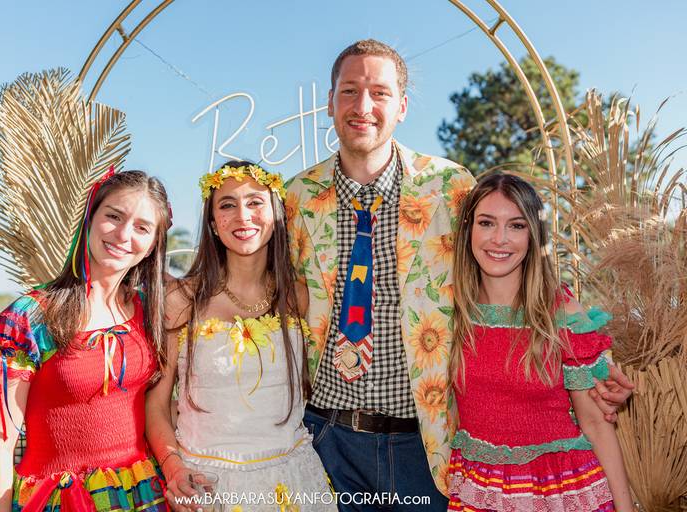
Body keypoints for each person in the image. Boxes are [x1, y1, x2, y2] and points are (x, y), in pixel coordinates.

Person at [285, 39, 635, 510]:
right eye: (349, 91)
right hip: (325, 437)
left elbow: (511, 260)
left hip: (423, 443)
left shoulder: (449, 187)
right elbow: (268, 295)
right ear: (330, 101)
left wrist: (593, 359)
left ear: (402, 106)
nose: (362, 106)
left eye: (379, 93)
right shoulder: (295, 197)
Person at [0, 170, 171, 511]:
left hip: (143, 495)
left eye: (142, 227)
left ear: (153, 243)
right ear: (89, 219)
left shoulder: (149, 311)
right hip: (61, 500)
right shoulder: (30, 318)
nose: (124, 234)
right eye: (114, 216)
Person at [146, 161, 336, 512]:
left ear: (276, 215)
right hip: (207, 484)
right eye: (227, 205)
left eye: (255, 202)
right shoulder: (182, 299)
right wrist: (174, 470)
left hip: (293, 483)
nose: (242, 216)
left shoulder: (298, 296)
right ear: (213, 223)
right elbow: (156, 405)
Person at [447, 172, 634, 511]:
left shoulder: (562, 312)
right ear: (468, 229)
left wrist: (626, 507)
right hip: (477, 492)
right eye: (487, 223)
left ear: (533, 235)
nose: (500, 239)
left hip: (561, 494)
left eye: (516, 226)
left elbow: (596, 423)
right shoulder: (449, 311)